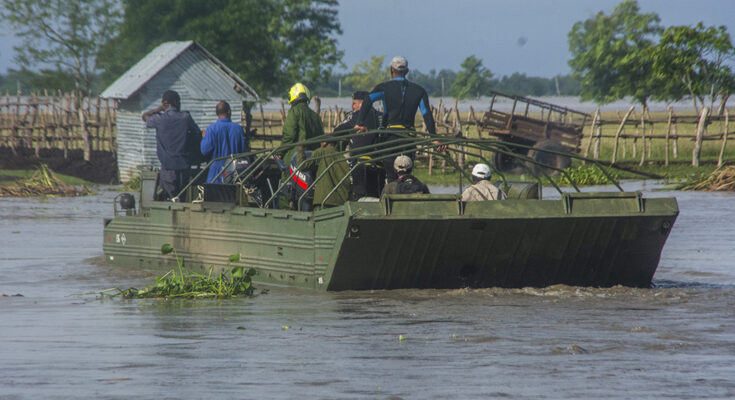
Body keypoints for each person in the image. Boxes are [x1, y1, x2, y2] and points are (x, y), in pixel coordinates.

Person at [354, 56, 441, 183]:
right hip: (409, 138)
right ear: (407, 71)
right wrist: (434, 138)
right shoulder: (419, 91)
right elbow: (426, 114)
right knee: (406, 174)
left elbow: (367, 100)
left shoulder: (384, 88)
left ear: (391, 70)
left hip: (390, 138)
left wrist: (359, 123)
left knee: (391, 176)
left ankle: (392, 195)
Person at [142, 90, 202, 201]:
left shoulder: (159, 119)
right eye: (178, 102)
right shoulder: (185, 118)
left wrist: (158, 109)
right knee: (183, 197)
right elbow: (197, 134)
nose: (180, 104)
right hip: (184, 165)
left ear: (165, 103)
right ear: (175, 102)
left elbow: (144, 116)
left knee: (168, 199)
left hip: (167, 166)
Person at [333, 91, 382, 199]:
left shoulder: (354, 115)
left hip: (359, 164)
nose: (352, 106)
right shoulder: (381, 116)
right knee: (377, 196)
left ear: (362, 104)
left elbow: (337, 131)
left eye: (354, 103)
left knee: (359, 196)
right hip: (379, 165)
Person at [200, 101, 250, 183]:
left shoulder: (211, 129)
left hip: (216, 173)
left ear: (216, 113)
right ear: (229, 112)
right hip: (234, 172)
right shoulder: (238, 129)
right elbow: (243, 151)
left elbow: (204, 150)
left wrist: (204, 137)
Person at [296, 141, 351, 210]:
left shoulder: (321, 152)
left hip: (323, 201)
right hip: (341, 202)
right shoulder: (342, 156)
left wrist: (301, 150)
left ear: (324, 143)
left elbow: (302, 166)